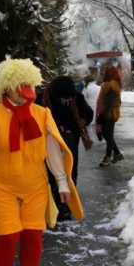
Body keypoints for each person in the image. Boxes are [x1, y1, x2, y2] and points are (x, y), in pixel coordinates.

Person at [0, 59, 84, 266]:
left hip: (35, 186)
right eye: (21, 84)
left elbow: (53, 150)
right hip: (0, 187)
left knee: (33, 236)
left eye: (29, 84)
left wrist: (62, 182)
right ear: (7, 86)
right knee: (8, 237)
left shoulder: (42, 114)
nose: (26, 89)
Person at [42, 76, 93, 205]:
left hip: (71, 137)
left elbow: (89, 113)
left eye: (69, 98)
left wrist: (83, 121)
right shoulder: (44, 99)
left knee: (70, 168)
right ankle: (55, 201)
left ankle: (69, 201)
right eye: (64, 98)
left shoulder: (77, 97)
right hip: (50, 139)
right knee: (53, 169)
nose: (67, 100)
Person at [96, 66, 123, 167]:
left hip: (109, 114)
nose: (104, 74)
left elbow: (109, 102)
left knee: (108, 135)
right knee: (108, 135)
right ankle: (117, 154)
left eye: (105, 72)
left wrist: (101, 116)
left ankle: (108, 157)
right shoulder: (114, 84)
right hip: (111, 113)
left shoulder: (110, 85)